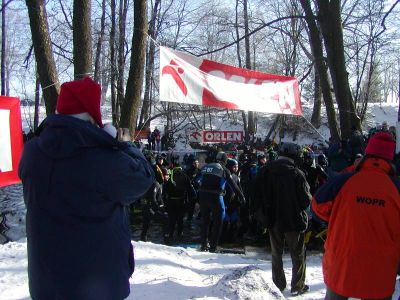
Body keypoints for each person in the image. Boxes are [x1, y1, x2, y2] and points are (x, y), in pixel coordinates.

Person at [18, 77, 154, 300]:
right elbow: (143, 178)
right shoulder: (102, 160)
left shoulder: (33, 152)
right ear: (92, 114)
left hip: (46, 282)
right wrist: (122, 143)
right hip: (96, 285)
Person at [312, 132, 400, 300]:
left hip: (342, 264)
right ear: (391, 159)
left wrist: (339, 217)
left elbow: (317, 207)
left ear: (367, 153)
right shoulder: (396, 188)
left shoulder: (342, 181)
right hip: (381, 271)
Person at [254, 142, 311, 295]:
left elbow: (255, 195)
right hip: (294, 220)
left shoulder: (265, 171)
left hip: (272, 220)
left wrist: (262, 216)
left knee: (276, 253)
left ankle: (278, 285)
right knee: (297, 254)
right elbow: (306, 200)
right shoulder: (297, 173)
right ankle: (297, 286)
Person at [197, 151, 245, 252]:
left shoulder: (206, 167)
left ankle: (204, 244)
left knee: (205, 221)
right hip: (216, 197)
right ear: (225, 160)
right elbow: (234, 185)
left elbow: (196, 180)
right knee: (218, 222)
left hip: (203, 196)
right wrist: (242, 196)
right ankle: (213, 247)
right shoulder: (224, 169)